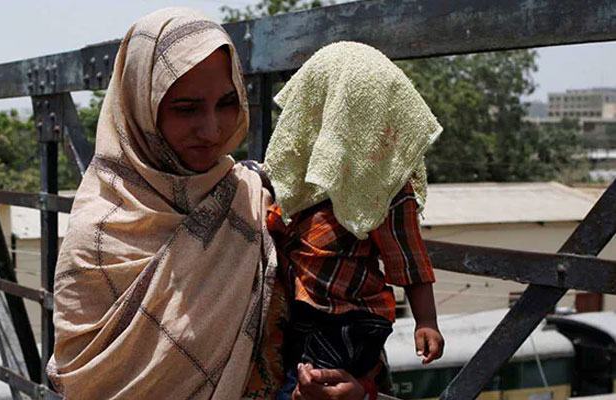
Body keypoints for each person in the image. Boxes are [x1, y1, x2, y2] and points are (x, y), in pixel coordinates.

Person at [48, 8, 366, 400]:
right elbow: (86, 380)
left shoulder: (253, 196)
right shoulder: (96, 238)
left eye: (227, 103)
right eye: (186, 109)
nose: (213, 129)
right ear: (141, 107)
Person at [262, 42, 446, 400]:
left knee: (314, 386)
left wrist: (427, 322)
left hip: (348, 321)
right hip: (298, 312)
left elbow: (409, 260)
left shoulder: (385, 187)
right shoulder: (296, 174)